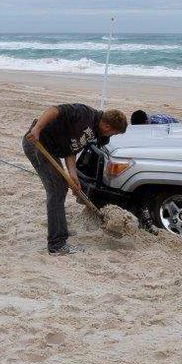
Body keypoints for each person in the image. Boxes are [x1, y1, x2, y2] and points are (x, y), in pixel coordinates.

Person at [23, 104, 128, 255]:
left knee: (62, 187)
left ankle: (59, 229)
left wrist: (73, 177)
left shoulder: (94, 132)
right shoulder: (83, 114)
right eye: (114, 133)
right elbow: (54, 110)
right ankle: (57, 245)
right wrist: (37, 129)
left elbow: (70, 151)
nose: (111, 136)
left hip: (52, 149)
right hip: (37, 143)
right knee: (57, 190)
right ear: (107, 126)